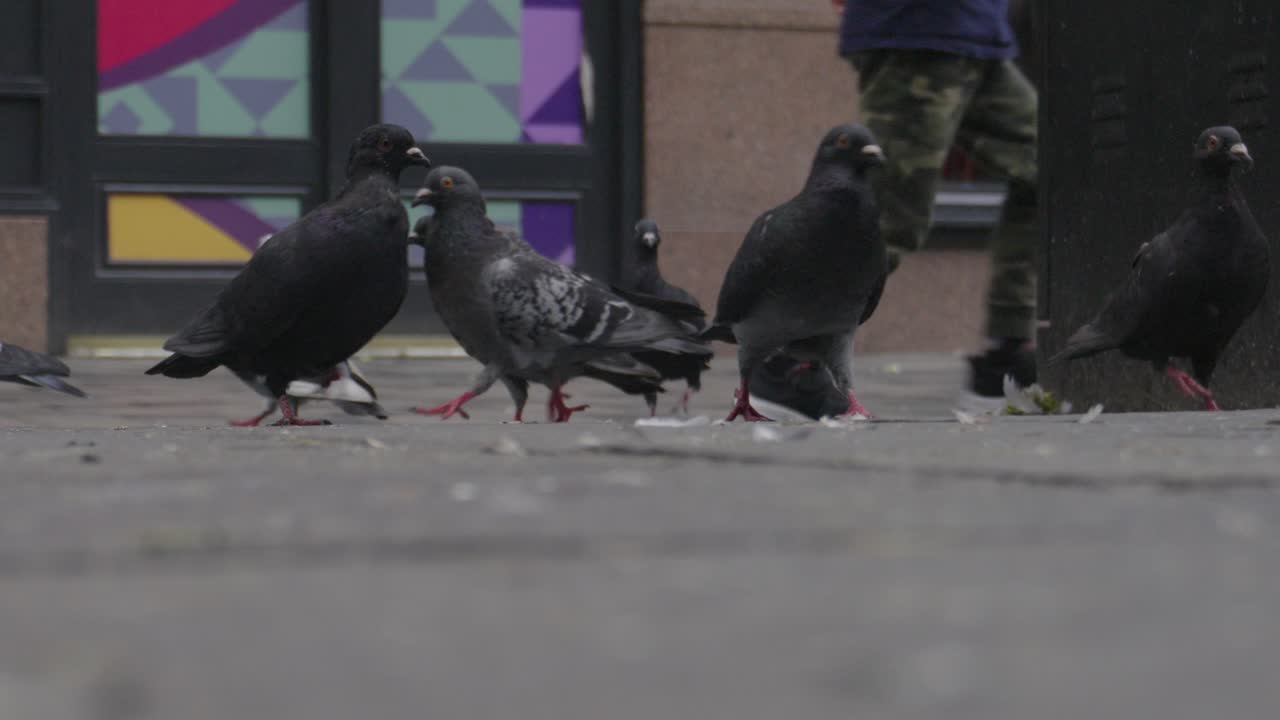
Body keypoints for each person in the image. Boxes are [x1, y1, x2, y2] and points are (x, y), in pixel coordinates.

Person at [749, 0, 1039, 419]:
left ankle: (1008, 356)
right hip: (917, 32)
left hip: (978, 33)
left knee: (1048, 171)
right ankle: (791, 363)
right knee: (885, 216)